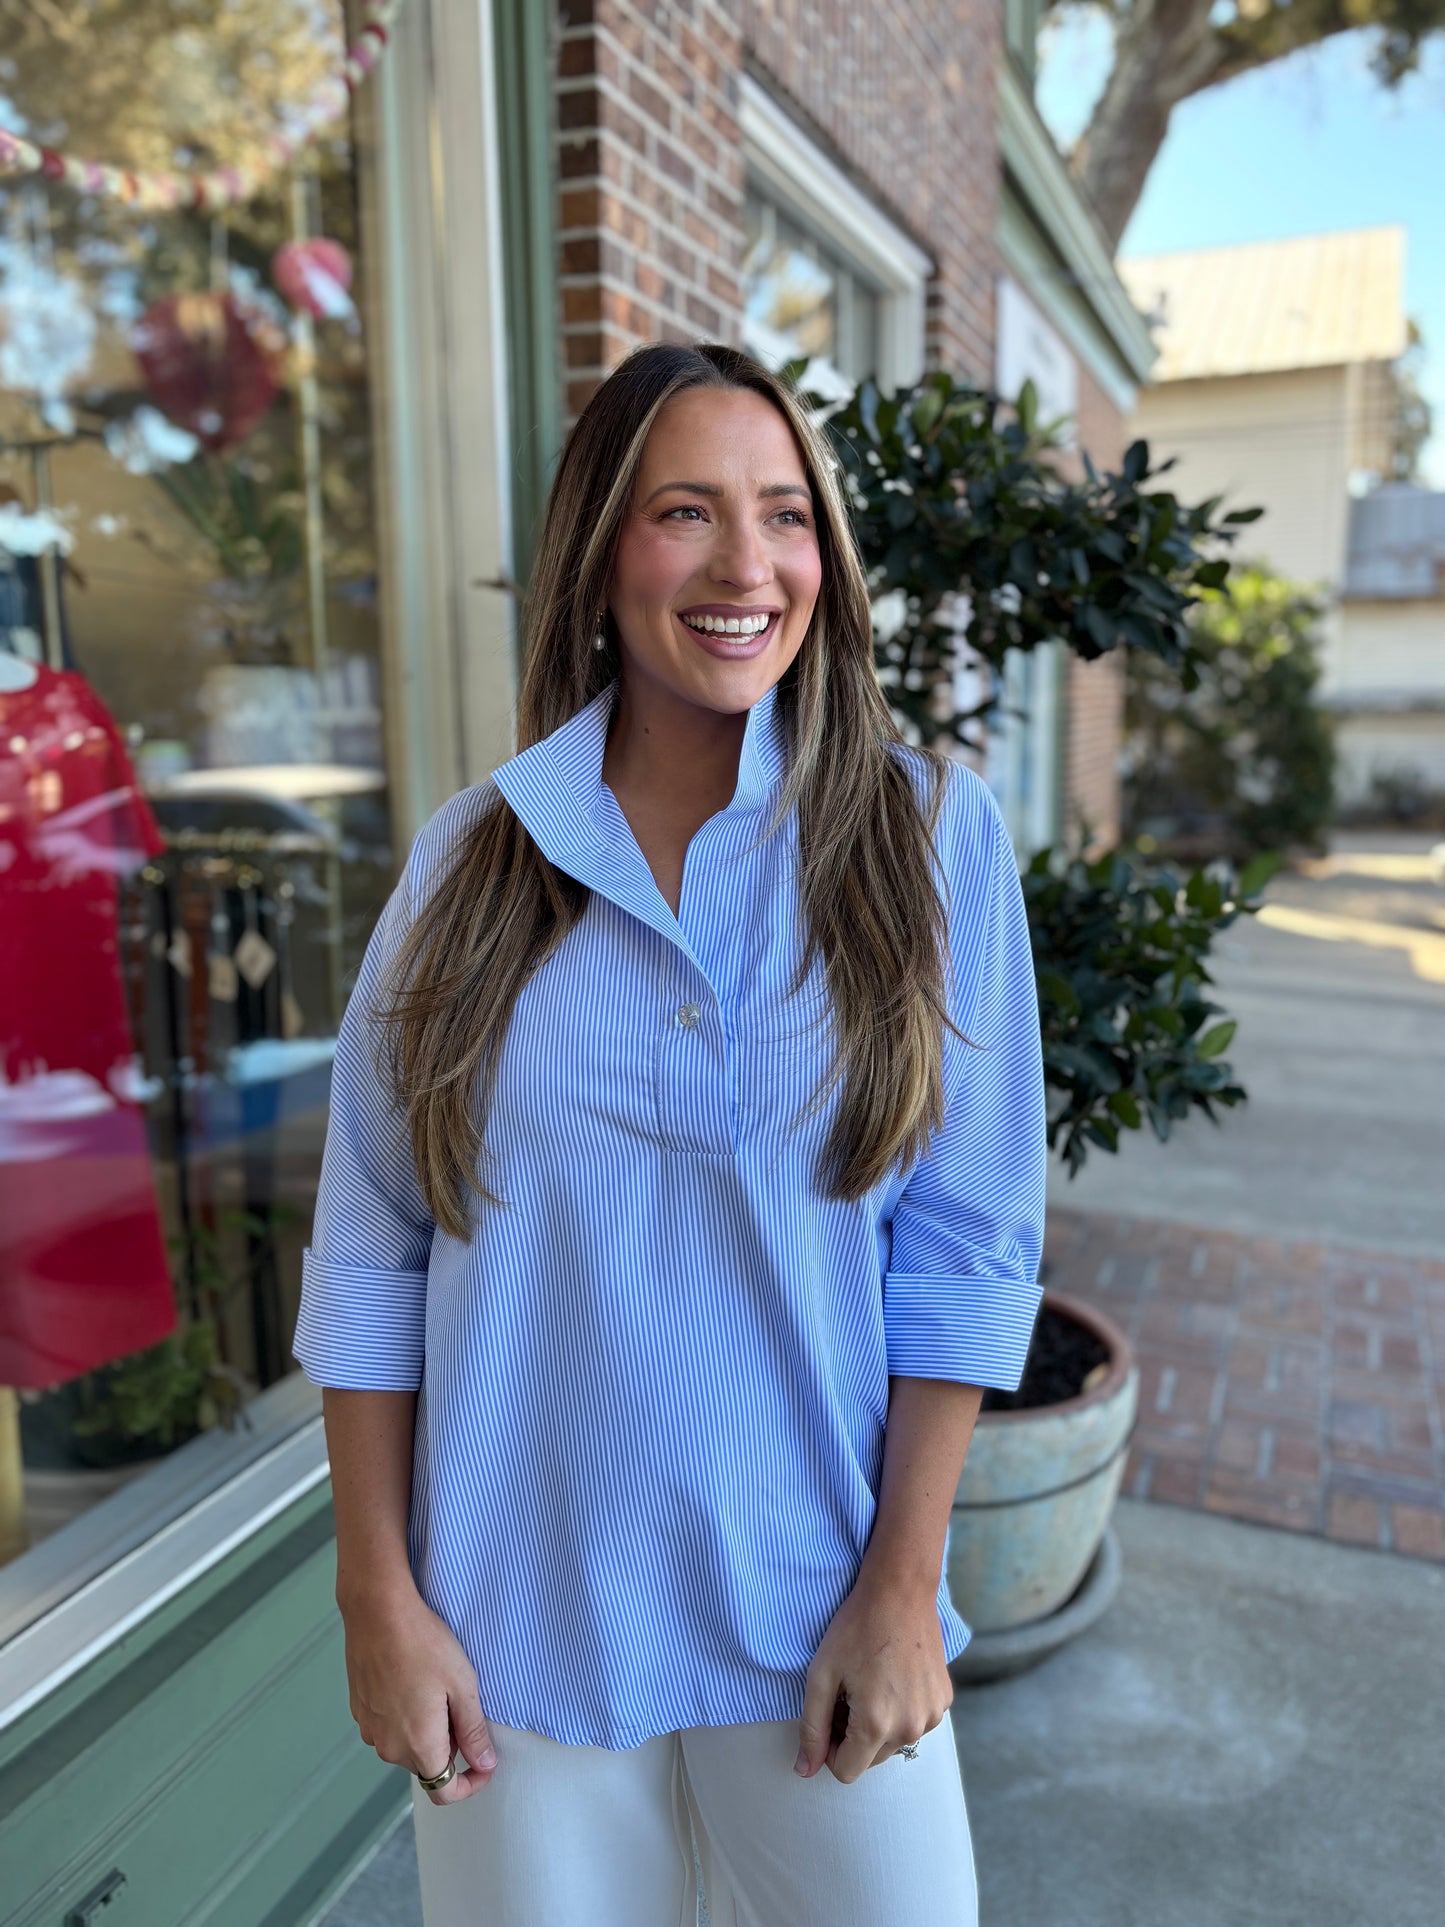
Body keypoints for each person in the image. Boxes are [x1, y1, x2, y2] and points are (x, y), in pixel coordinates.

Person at [291, 341, 1047, 1924]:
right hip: (514, 1633)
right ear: (597, 558)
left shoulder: (925, 842)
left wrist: (904, 1589)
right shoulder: (473, 859)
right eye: (682, 513)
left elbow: (966, 1243)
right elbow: (371, 1242)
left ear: (824, 564)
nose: (742, 565)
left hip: (818, 1615)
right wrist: (378, 1595)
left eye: (782, 517)